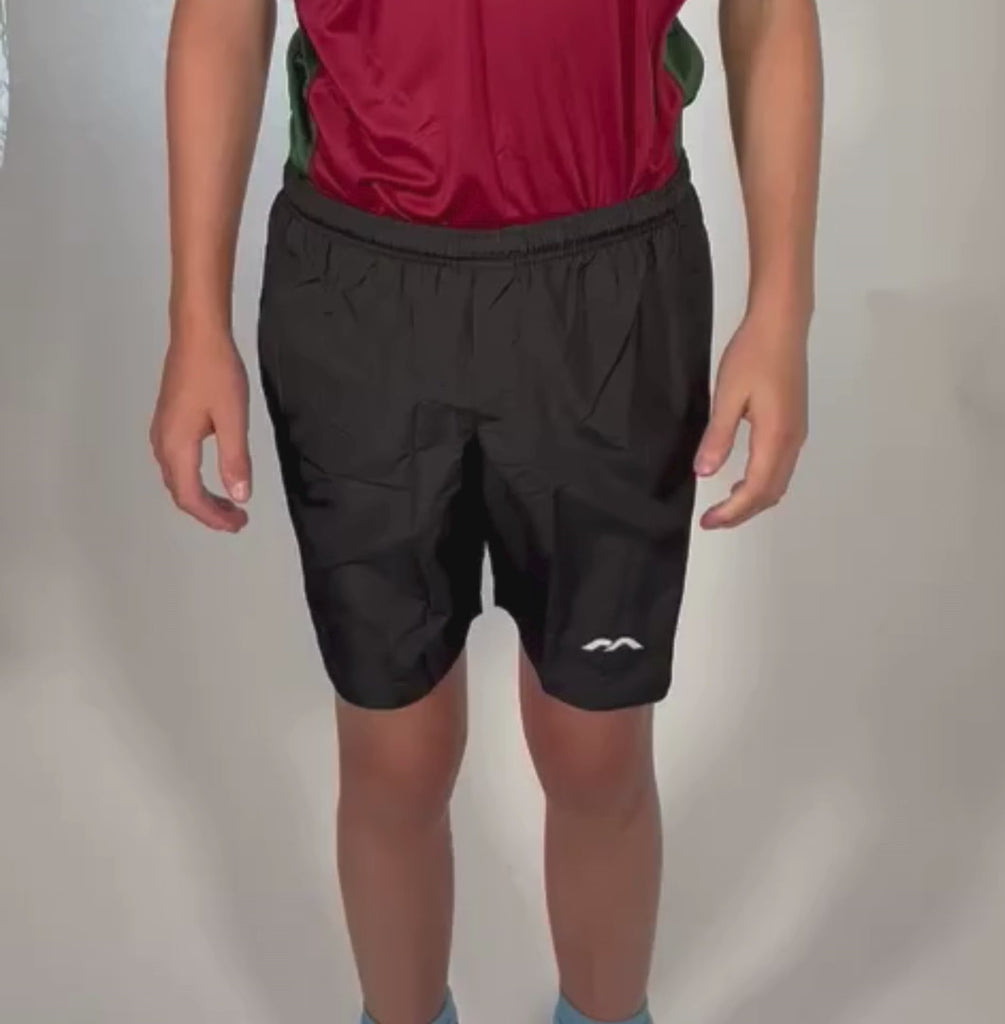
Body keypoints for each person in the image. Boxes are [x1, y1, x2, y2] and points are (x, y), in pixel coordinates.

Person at [150, 0, 822, 1021]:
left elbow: (770, 13)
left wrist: (781, 309)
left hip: (611, 286)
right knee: (394, 753)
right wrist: (195, 318)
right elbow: (222, 15)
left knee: (596, 747)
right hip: (361, 285)